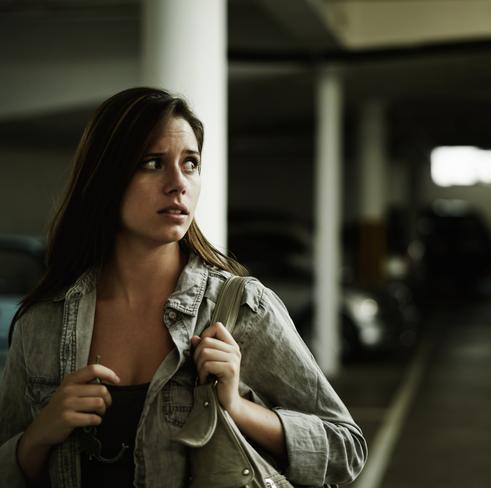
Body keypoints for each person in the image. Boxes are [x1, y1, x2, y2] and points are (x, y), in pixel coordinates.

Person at [0, 87, 367, 487]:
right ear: (105, 178)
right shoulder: (42, 323)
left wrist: (236, 408)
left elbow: (345, 450)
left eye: (190, 164)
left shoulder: (240, 308)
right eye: (152, 163)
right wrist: (38, 437)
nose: (178, 184)